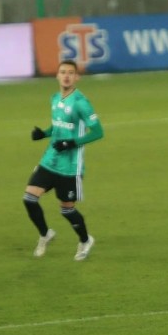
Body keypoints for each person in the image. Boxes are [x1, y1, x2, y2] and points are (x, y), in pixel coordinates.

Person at [25, 60, 103, 261]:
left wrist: (71, 143)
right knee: (29, 198)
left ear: (77, 77)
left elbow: (98, 132)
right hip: (49, 160)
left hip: (70, 166)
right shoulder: (54, 98)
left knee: (67, 210)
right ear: (57, 76)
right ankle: (45, 234)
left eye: (70, 72)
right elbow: (57, 126)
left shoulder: (80, 103)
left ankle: (85, 240)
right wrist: (43, 133)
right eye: (62, 72)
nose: (66, 75)